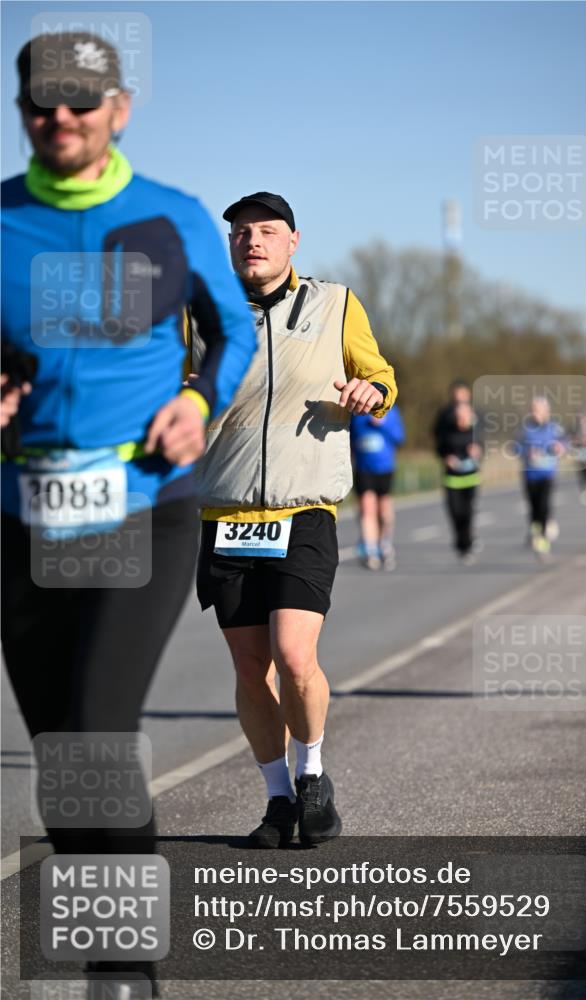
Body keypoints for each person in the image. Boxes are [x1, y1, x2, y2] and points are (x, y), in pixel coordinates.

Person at [1, 31, 256, 995]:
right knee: (61, 755)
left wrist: (197, 401)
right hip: (19, 512)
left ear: (119, 108)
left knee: (100, 728)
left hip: (142, 504)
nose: (58, 118)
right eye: (39, 102)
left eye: (78, 100)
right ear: (23, 110)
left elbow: (232, 332)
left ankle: (122, 969)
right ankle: (123, 947)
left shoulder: (174, 218)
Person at [195, 192, 397, 848]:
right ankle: (278, 802)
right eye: (240, 233)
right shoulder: (200, 312)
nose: (250, 241)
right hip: (224, 512)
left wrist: (371, 392)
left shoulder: (335, 304)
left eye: (265, 231)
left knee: (293, 655)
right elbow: (164, 391)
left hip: (303, 507)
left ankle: (312, 776)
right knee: (251, 670)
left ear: (292, 241)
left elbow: (379, 375)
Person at [350, 404, 405, 570]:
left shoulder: (390, 409)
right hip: (363, 468)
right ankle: (370, 550)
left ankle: (385, 544)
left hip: (385, 468)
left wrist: (383, 423)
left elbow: (400, 437)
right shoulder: (355, 409)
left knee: (384, 511)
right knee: (367, 510)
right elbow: (349, 437)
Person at [514, 396, 567, 557]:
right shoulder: (525, 429)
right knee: (533, 506)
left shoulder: (554, 428)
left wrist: (560, 448)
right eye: (533, 410)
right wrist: (526, 452)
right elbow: (516, 447)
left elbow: (565, 443)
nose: (536, 413)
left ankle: (543, 537)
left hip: (547, 474)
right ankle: (535, 530)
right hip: (530, 474)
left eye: (539, 410)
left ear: (547, 411)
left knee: (544, 505)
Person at [434, 399, 483, 564]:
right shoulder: (448, 431)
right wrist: (446, 458)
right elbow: (439, 449)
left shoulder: (476, 433)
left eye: (465, 416)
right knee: (455, 513)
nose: (462, 419)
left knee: (467, 513)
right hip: (452, 479)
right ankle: (459, 541)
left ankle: (466, 546)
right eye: (459, 416)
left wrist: (478, 452)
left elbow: (483, 449)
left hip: (470, 478)